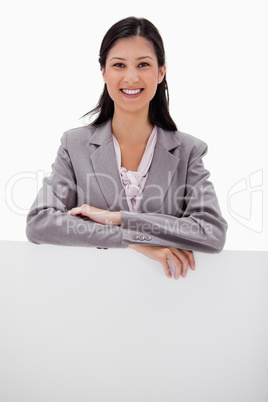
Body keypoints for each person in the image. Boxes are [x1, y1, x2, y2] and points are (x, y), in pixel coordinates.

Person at [26, 16, 228, 280]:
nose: (131, 77)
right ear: (104, 73)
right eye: (119, 65)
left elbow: (211, 232)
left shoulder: (188, 151)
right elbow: (39, 223)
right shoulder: (74, 145)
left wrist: (118, 217)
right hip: (88, 298)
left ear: (161, 72)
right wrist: (132, 240)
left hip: (168, 303)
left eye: (143, 64)